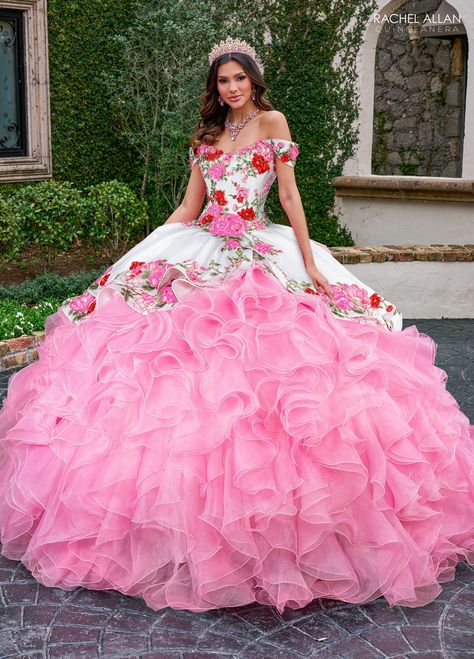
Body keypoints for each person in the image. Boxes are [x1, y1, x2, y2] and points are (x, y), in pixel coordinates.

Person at [0, 36, 473, 615]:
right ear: (215, 88)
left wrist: (310, 262)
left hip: (263, 250)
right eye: (222, 82)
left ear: (253, 80)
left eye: (238, 79)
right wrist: (144, 253)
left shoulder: (273, 123)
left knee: (290, 366)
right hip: (205, 250)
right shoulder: (206, 140)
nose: (231, 89)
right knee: (173, 371)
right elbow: (189, 207)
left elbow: (292, 198)